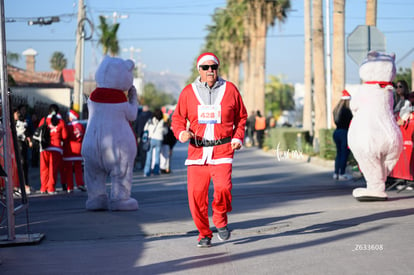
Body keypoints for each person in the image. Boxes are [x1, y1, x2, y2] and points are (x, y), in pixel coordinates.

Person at [171, 52, 247, 247]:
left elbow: (241, 116)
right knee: (196, 197)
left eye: (214, 67)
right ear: (199, 70)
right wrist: (181, 134)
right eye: (206, 68)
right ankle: (204, 234)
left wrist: (238, 137)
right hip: (197, 152)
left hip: (223, 150)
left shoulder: (230, 89)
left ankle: (220, 218)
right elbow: (177, 119)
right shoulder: (188, 92)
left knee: (223, 189)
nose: (210, 71)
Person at [39, 104, 68, 195]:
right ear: (58, 112)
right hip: (56, 148)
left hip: (44, 148)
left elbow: (39, 131)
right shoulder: (61, 122)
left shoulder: (44, 120)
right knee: (53, 169)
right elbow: (65, 136)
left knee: (44, 168)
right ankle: (51, 188)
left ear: (49, 111)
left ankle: (43, 188)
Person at [62, 110, 87, 193]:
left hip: (69, 150)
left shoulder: (68, 126)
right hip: (79, 149)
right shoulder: (80, 126)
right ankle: (80, 183)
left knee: (69, 169)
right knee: (78, 168)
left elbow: (65, 136)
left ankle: (70, 187)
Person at [332, 90, 353, 181]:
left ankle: (336, 173)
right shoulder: (347, 111)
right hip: (344, 133)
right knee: (344, 153)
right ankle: (342, 173)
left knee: (339, 153)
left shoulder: (336, 110)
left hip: (336, 132)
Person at [14, 108, 33, 194]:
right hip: (18, 146)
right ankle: (21, 185)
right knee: (21, 165)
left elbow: (25, 133)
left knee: (23, 165)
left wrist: (28, 139)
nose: (18, 114)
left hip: (21, 145)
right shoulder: (12, 123)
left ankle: (24, 185)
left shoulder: (21, 123)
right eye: (16, 113)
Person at [143, 108, 167, 177]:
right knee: (157, 156)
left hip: (151, 139)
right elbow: (165, 132)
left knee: (149, 156)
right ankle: (156, 171)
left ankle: (147, 172)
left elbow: (145, 129)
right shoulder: (162, 122)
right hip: (159, 140)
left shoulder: (150, 121)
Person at [134, 105, 152, 170]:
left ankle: (143, 165)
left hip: (141, 135)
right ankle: (149, 166)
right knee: (149, 151)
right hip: (150, 135)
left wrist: (137, 134)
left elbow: (136, 125)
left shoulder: (139, 116)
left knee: (142, 151)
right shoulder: (151, 115)